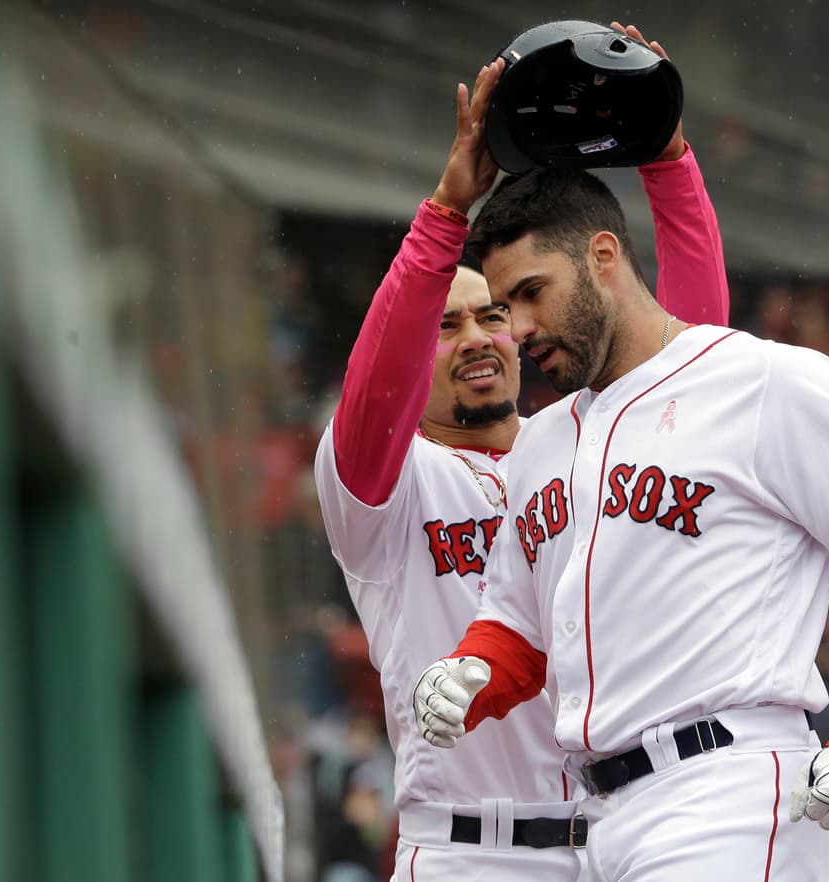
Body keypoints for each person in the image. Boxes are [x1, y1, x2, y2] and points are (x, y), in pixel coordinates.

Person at [413, 158, 829, 879]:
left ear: (603, 256)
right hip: (603, 822)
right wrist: (472, 671)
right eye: (505, 303)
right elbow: (520, 628)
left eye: (531, 293)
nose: (517, 327)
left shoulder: (762, 381)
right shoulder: (539, 441)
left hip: (728, 789)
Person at [313, 23, 730, 882]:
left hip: (620, 840)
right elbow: (377, 392)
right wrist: (446, 217)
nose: (475, 336)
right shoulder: (385, 493)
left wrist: (666, 157)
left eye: (492, 313)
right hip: (473, 854)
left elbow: (700, 358)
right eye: (445, 322)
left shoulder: (577, 447)